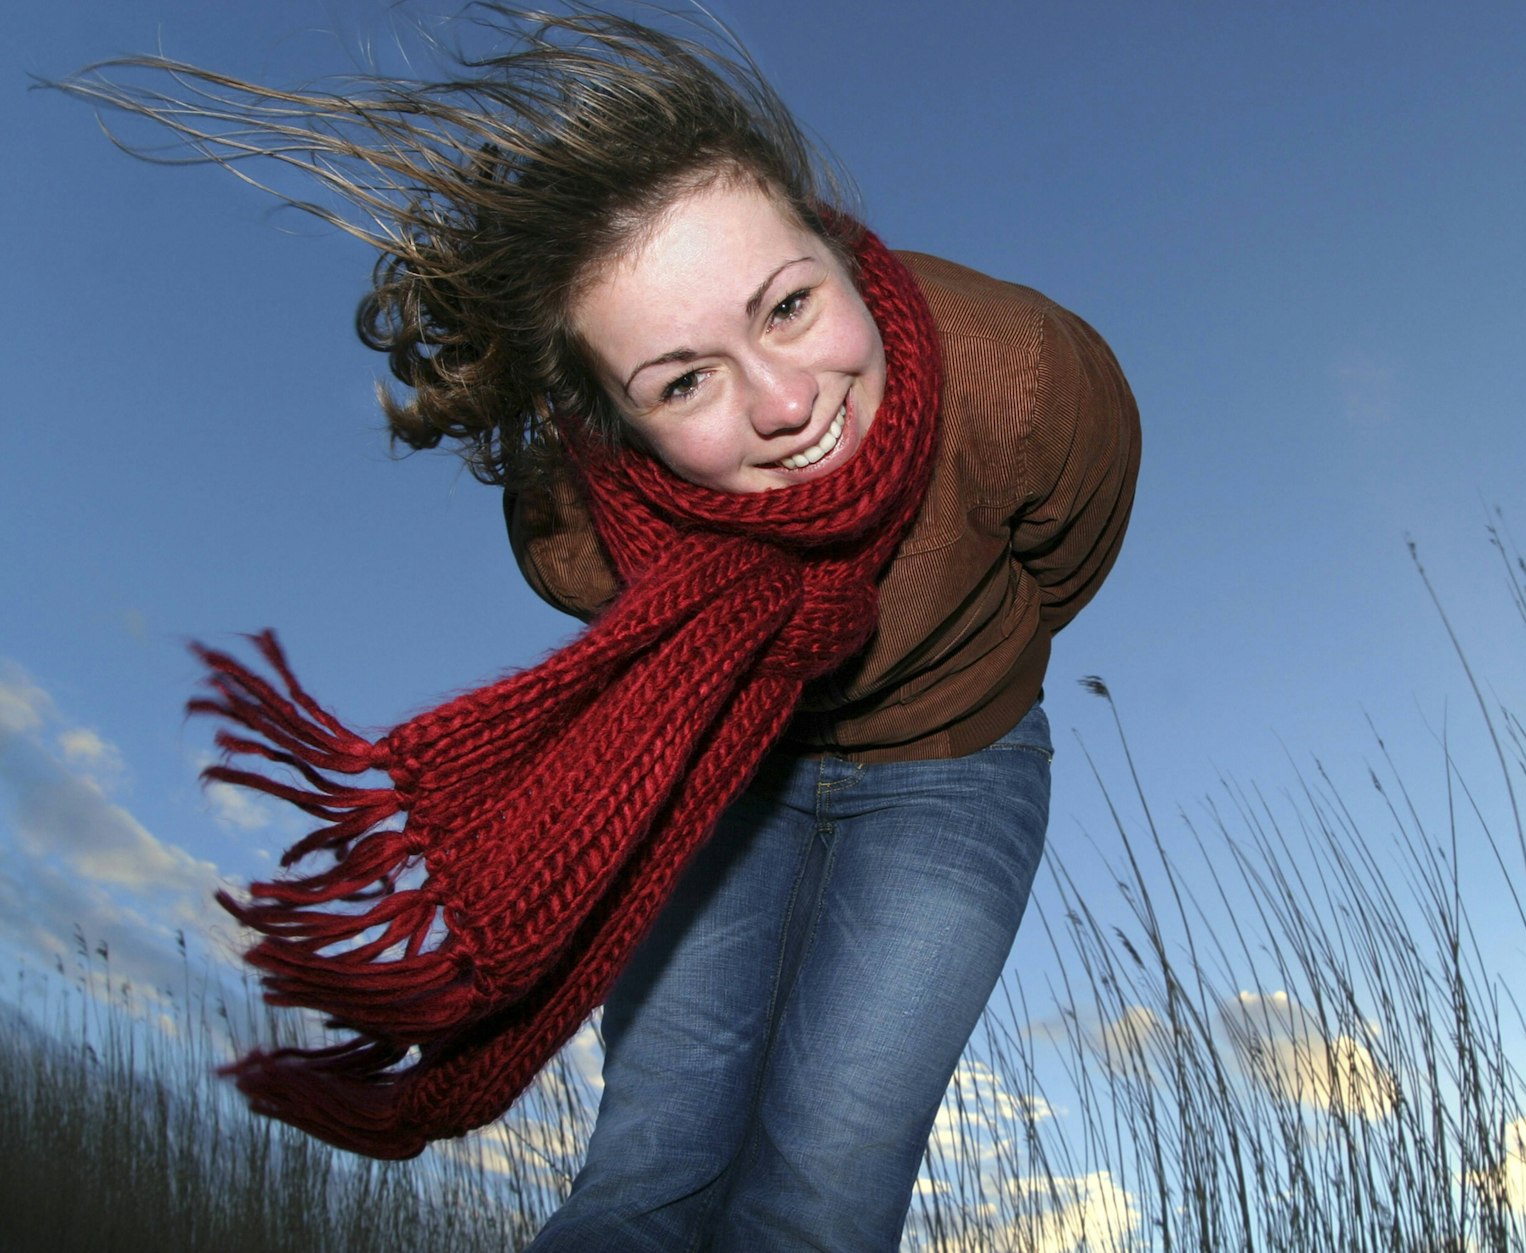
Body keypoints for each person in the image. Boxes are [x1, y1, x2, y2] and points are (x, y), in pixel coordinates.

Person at [62, 6, 1137, 1248]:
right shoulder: (575, 528)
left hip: (959, 773)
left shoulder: (1026, 381)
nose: (785, 403)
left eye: (786, 306)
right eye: (684, 380)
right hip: (720, 768)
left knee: (829, 1180)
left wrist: (937, 679)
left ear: (826, 236)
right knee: (649, 1166)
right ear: (614, 420)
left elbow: (1062, 567)